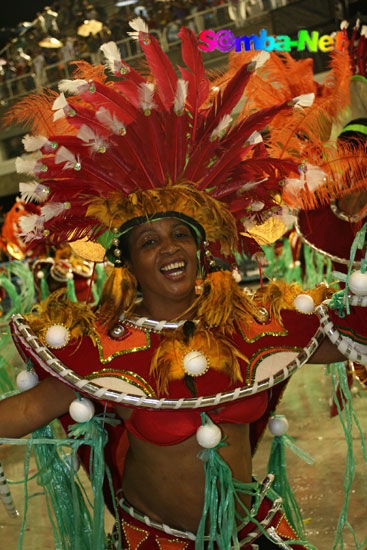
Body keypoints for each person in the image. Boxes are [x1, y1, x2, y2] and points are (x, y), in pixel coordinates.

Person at [1, 20, 367, 550]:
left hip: (254, 532)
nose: (169, 247)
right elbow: (23, 413)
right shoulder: (102, 348)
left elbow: (353, 332)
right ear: (127, 262)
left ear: (201, 248)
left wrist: (350, 227)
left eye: (180, 234)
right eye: (149, 241)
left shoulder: (251, 322)